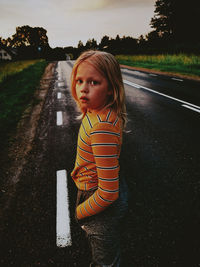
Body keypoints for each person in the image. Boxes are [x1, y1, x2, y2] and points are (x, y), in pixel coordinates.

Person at [70, 50, 128, 267]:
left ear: (111, 89)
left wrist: (80, 212)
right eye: (80, 81)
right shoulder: (95, 111)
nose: (84, 88)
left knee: (105, 262)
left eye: (94, 82)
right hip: (100, 190)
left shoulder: (101, 126)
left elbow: (109, 193)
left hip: (99, 200)